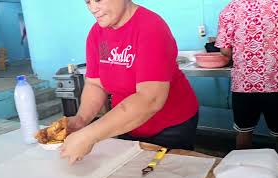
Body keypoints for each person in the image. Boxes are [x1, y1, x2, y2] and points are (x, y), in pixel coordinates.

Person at [60, 0, 199, 165]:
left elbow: (150, 99)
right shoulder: (99, 34)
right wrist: (81, 119)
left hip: (169, 126)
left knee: (164, 171)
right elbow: (96, 84)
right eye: (87, 2)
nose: (92, 8)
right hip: (126, 123)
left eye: (97, 0)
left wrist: (89, 135)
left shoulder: (150, 27)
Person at [215, 0, 278, 167]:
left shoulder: (230, 9)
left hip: (244, 84)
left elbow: (225, 51)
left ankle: (243, 172)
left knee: (244, 134)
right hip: (276, 82)